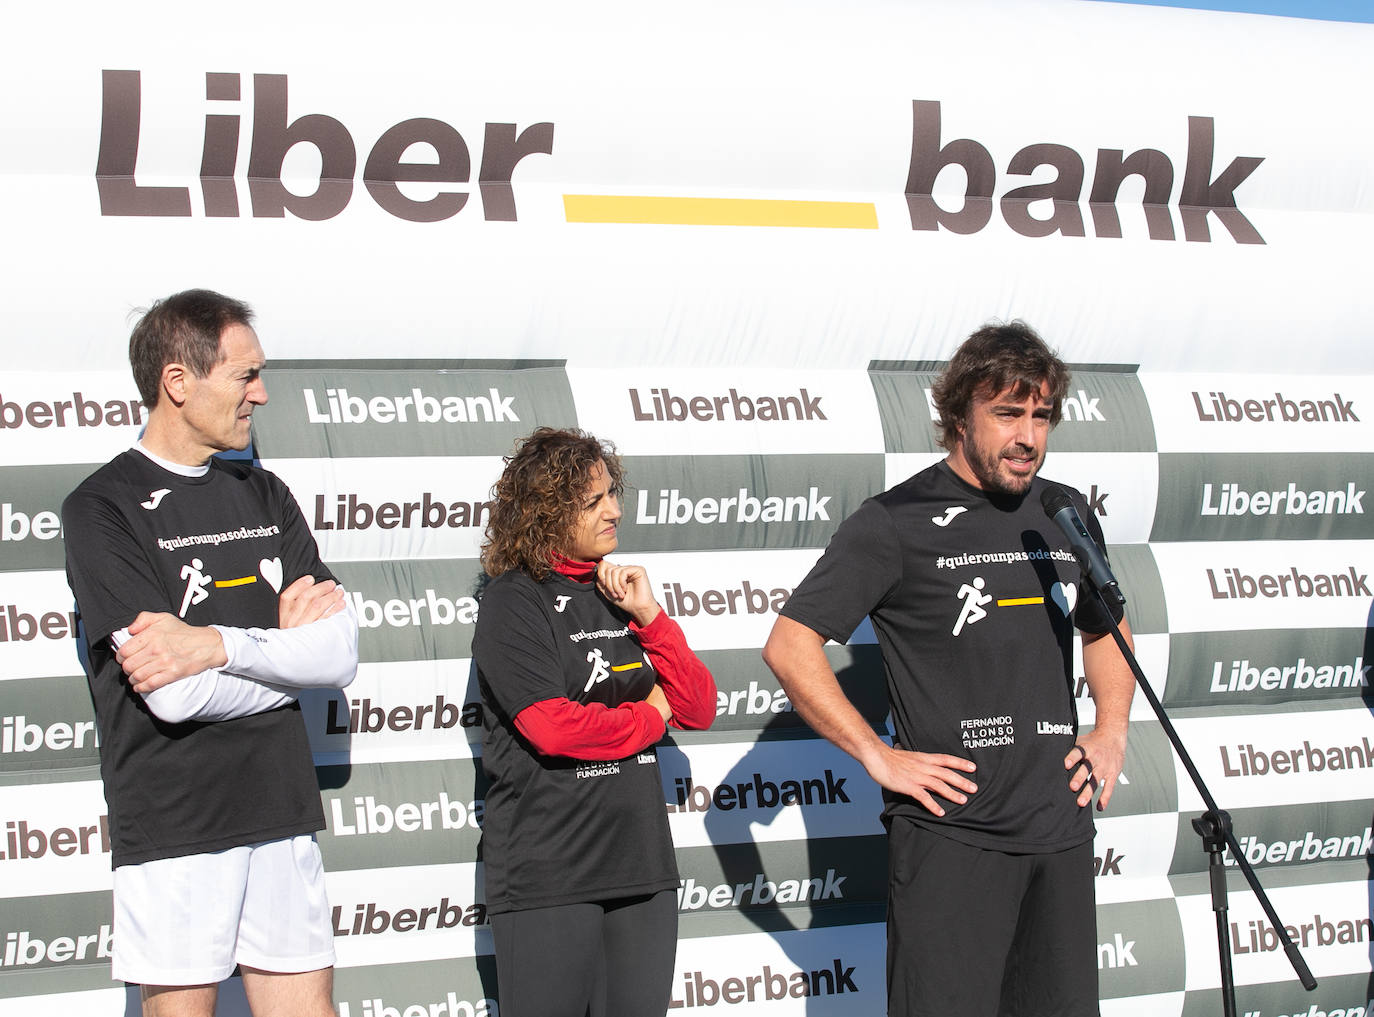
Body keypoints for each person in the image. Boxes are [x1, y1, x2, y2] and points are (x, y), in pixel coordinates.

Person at [762, 321, 1134, 1017]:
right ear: (959, 414)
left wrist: (1111, 728)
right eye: (1007, 413)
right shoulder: (894, 522)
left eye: (1041, 415)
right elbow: (790, 644)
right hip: (952, 840)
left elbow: (1107, 626)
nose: (1028, 436)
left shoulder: (1063, 513)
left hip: (1059, 831)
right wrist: (878, 754)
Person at [61, 289, 359, 1017]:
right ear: (177, 382)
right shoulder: (101, 506)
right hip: (176, 823)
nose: (261, 392)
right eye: (244, 375)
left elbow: (341, 652)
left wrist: (220, 645)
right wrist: (287, 665)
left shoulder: (265, 493)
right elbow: (174, 694)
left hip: (281, 809)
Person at [473, 427, 717, 1017]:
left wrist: (651, 616)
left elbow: (700, 708)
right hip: (550, 872)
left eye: (612, 493)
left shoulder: (619, 593)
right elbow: (552, 727)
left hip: (641, 866)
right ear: (546, 514)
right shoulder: (514, 600)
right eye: (592, 501)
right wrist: (650, 717)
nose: (613, 510)